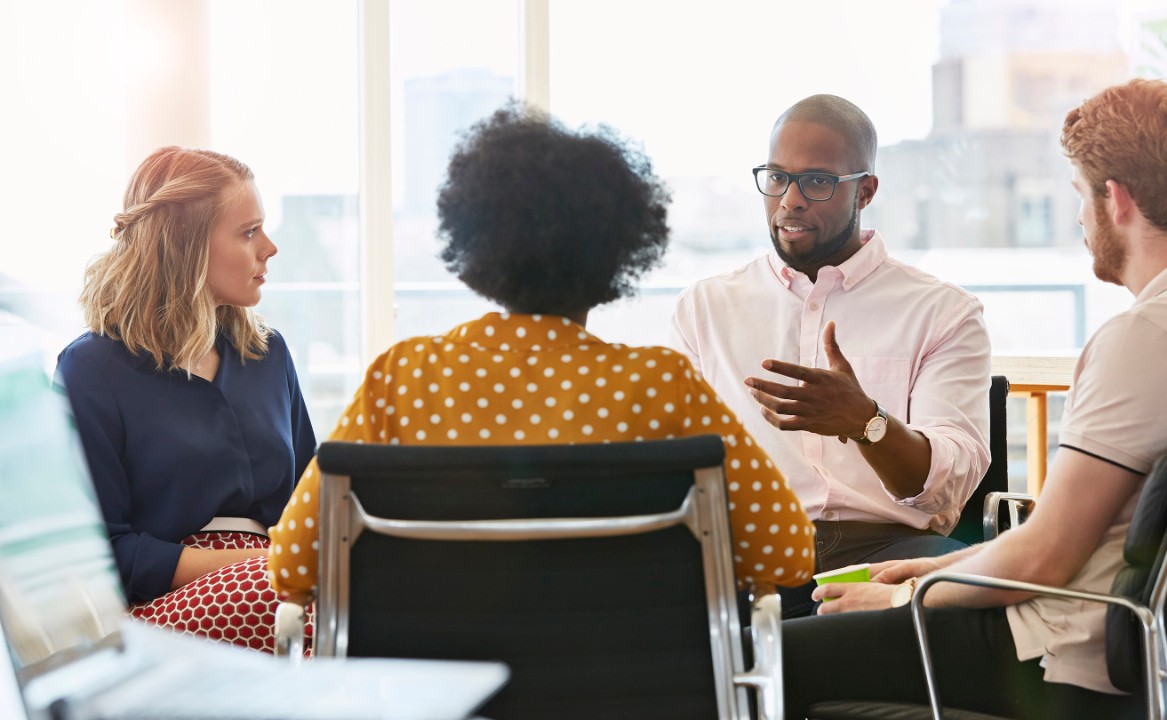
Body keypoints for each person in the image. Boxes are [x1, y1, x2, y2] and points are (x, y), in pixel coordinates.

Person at [269, 103, 815, 603]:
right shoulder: (658, 386)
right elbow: (789, 553)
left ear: (477, 244)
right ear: (617, 254)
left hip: (445, 693)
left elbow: (294, 562)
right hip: (627, 687)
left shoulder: (405, 378)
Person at [780, 78, 1167, 719]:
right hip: (1108, 635)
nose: (1077, 218)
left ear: (1115, 200)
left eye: (1079, 196)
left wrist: (901, 599)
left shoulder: (1144, 337)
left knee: (767, 661)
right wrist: (922, 574)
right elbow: (1059, 537)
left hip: (1054, 646)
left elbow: (1046, 554)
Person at [669, 94, 992, 617]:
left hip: (885, 551)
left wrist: (867, 423)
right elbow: (677, 461)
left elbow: (944, 494)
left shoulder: (943, 312)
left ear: (865, 190)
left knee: (965, 610)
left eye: (817, 181)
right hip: (750, 554)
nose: (789, 200)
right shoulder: (706, 307)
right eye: (776, 177)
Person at [57, 146, 316, 653]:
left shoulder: (269, 353)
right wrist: (264, 565)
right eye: (248, 232)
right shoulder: (90, 369)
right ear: (186, 246)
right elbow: (103, 552)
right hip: (163, 605)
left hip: (279, 587)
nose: (270, 247)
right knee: (283, 598)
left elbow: (310, 502)